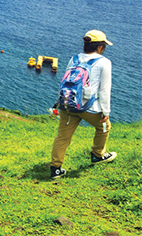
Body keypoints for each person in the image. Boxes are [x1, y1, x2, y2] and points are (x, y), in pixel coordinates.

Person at [49, 30, 117, 179]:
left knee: (62, 136)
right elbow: (105, 89)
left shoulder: (73, 59)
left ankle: (55, 168)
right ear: (100, 47)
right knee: (104, 126)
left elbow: (66, 82)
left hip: (68, 104)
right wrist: (106, 111)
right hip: (88, 107)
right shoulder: (104, 62)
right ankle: (97, 155)